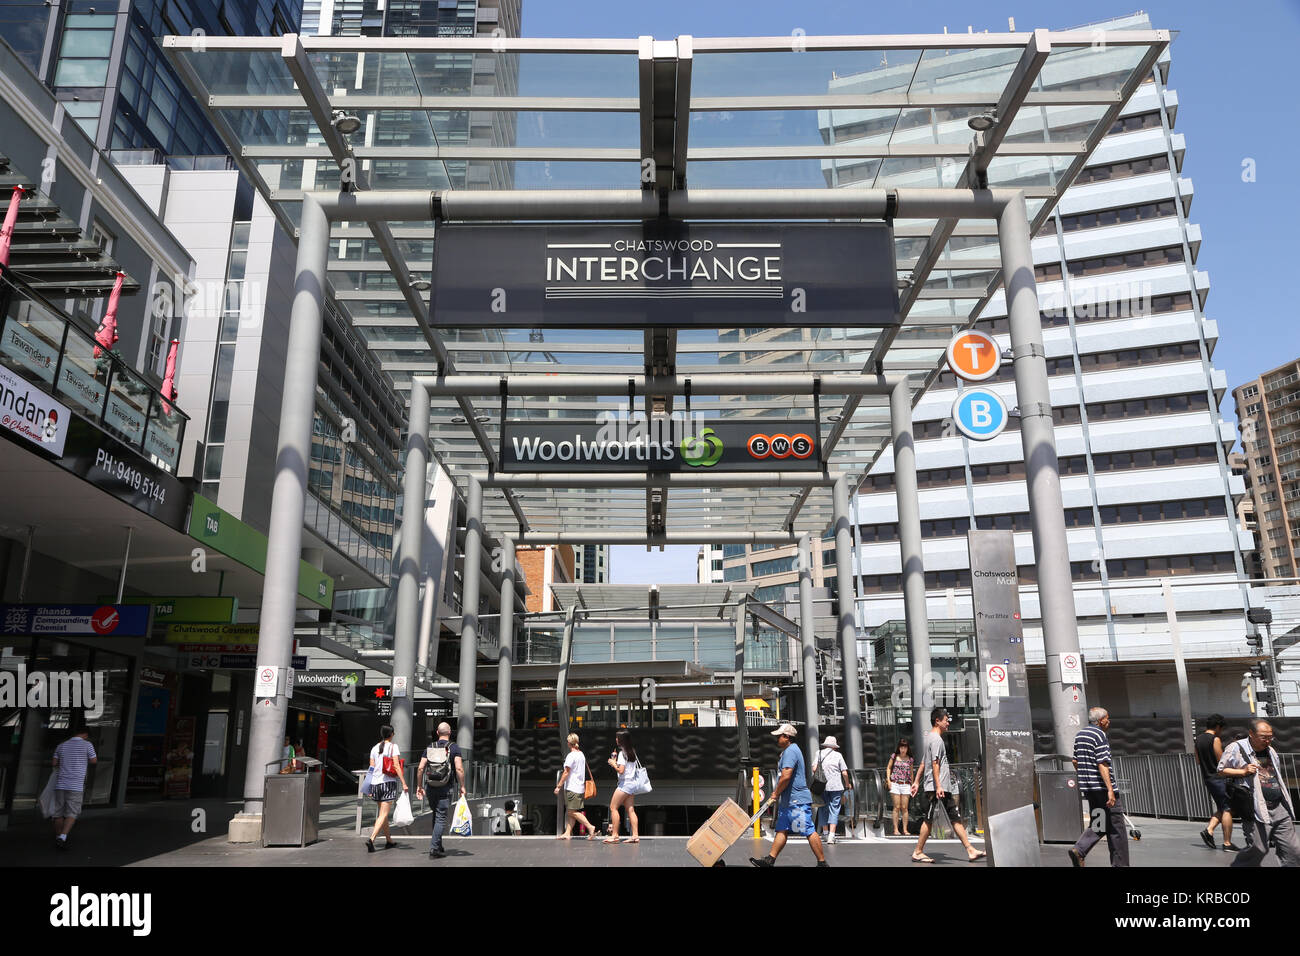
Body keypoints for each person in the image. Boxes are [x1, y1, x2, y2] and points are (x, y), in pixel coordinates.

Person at [1217, 718, 1299, 867]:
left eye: (1270, 737)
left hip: (1278, 805)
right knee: (1258, 849)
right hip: (1256, 808)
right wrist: (1242, 771)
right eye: (1263, 737)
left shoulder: (1271, 750)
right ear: (1251, 734)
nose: (1267, 740)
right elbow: (1221, 770)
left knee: (1293, 849)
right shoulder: (1236, 747)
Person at [911, 708, 985, 863]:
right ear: (937, 721)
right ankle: (918, 851)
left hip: (941, 787)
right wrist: (938, 786)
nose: (948, 722)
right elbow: (934, 763)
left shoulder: (929, 738)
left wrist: (917, 781)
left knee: (955, 818)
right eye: (946, 719)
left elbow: (924, 762)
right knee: (929, 820)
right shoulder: (936, 739)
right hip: (937, 788)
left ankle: (970, 850)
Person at [750, 723, 828, 867]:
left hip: (796, 800)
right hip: (789, 801)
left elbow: (786, 776)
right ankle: (770, 860)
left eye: (779, 736)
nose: (777, 739)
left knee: (808, 830)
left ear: (787, 737)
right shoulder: (788, 751)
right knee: (782, 829)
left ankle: (822, 862)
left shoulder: (791, 751)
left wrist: (775, 793)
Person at [1068, 706, 1128, 868]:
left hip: (1089, 788)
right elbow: (1102, 763)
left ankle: (1079, 850)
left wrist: (1085, 778)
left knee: (1099, 823)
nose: (1109, 721)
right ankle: (1120, 864)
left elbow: (1075, 761)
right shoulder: (1100, 735)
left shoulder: (1080, 734)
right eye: (1107, 718)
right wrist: (1110, 789)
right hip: (1102, 788)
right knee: (1117, 829)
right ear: (1101, 720)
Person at [415, 722, 465, 859]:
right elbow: (459, 768)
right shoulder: (454, 748)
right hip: (445, 787)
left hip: (430, 787)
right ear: (450, 732)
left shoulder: (430, 747)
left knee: (436, 815)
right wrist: (462, 786)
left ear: (437, 732)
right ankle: (434, 848)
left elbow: (420, 768)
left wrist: (419, 786)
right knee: (441, 817)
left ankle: (438, 845)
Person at [51, 726, 97, 850]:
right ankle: (63, 836)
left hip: (61, 784)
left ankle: (58, 836)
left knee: (58, 812)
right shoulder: (87, 745)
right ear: (85, 734)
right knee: (72, 812)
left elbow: (54, 763)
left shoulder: (61, 745)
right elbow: (93, 760)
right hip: (76, 785)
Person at [1195, 714, 1236, 851]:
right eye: (1221, 728)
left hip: (1207, 777)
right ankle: (1227, 843)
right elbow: (1221, 761)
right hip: (1219, 778)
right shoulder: (1215, 739)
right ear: (1218, 726)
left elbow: (1198, 760)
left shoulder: (1198, 739)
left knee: (1222, 806)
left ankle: (1209, 830)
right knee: (1227, 809)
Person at [365, 724, 407, 852]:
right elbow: (396, 765)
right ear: (392, 734)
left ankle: (389, 840)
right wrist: (404, 783)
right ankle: (371, 839)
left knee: (383, 815)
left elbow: (371, 768)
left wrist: (368, 786)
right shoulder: (393, 747)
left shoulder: (374, 748)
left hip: (375, 784)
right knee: (383, 814)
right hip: (388, 783)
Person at [554, 732, 597, 840]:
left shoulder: (571, 756)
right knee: (571, 811)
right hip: (579, 787)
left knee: (572, 812)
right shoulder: (581, 754)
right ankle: (568, 832)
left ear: (569, 743)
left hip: (572, 787)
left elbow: (566, 772)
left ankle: (590, 827)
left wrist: (558, 786)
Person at [604, 729, 643, 844]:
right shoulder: (632, 751)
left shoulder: (622, 753)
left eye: (617, 737)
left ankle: (615, 835)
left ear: (621, 740)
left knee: (613, 807)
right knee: (630, 810)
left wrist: (613, 764)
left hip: (624, 784)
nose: (616, 739)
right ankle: (635, 835)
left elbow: (621, 771)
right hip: (632, 784)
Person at [811, 735, 852, 844]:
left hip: (822, 786)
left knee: (822, 808)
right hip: (836, 786)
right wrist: (847, 784)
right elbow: (844, 772)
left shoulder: (818, 753)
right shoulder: (838, 755)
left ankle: (825, 834)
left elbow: (814, 768)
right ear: (834, 746)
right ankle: (831, 836)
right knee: (834, 809)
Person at [885, 738, 916, 837]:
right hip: (895, 783)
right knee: (896, 807)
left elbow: (911, 773)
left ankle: (905, 829)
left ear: (907, 748)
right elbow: (889, 767)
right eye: (901, 747)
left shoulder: (910, 759)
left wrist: (913, 785)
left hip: (906, 784)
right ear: (899, 747)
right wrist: (889, 780)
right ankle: (895, 829)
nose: (903, 749)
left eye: (905, 747)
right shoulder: (894, 756)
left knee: (905, 808)